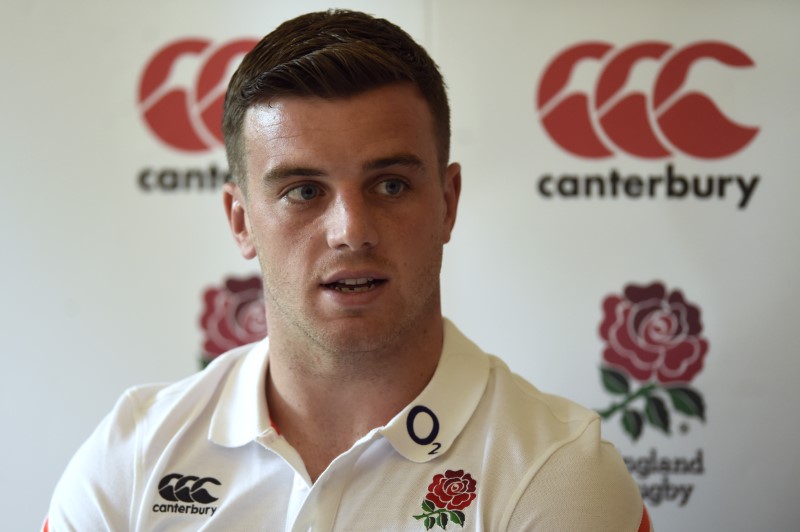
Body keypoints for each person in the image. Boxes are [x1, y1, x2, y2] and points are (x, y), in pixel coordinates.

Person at [46, 9, 651, 531]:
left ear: (449, 202)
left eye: (390, 184)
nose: (351, 230)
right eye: (304, 191)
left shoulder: (555, 471)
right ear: (240, 221)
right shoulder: (133, 453)